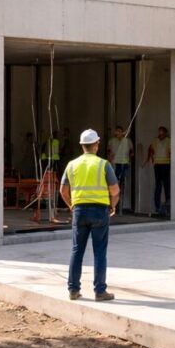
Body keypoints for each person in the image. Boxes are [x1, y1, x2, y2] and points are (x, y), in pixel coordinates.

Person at [60, 129, 119, 302]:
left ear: (82, 145)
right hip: (100, 211)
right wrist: (112, 205)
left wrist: (72, 205)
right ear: (96, 144)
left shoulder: (71, 164)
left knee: (76, 251)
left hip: (79, 211)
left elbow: (63, 191)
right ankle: (100, 291)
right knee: (100, 252)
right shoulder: (103, 164)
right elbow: (115, 190)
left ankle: (73, 290)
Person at [146, 126, 172, 217]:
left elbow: (170, 152)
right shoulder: (155, 140)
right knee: (158, 185)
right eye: (159, 132)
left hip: (166, 164)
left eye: (162, 132)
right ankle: (157, 207)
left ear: (165, 133)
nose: (160, 134)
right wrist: (150, 159)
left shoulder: (169, 140)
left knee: (167, 185)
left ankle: (168, 207)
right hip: (157, 164)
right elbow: (151, 150)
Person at [106, 125, 133, 211]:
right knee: (114, 183)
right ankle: (113, 205)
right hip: (114, 164)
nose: (117, 133)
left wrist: (130, 157)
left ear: (123, 132)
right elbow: (109, 151)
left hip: (124, 163)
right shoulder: (112, 141)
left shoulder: (127, 141)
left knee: (122, 183)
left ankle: (120, 206)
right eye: (116, 131)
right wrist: (109, 158)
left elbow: (131, 152)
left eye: (119, 131)